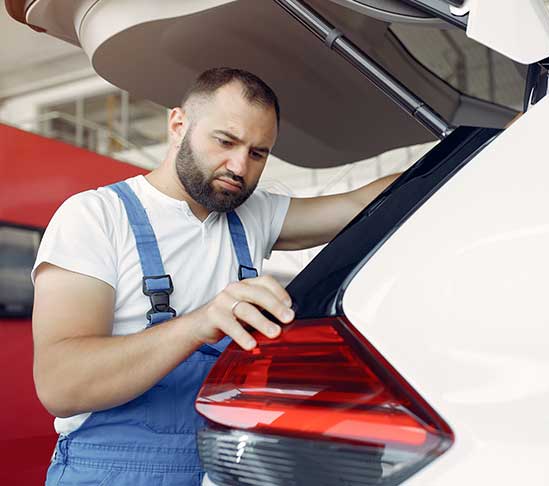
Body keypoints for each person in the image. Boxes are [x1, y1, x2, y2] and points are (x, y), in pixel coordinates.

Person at [31, 67, 399, 486]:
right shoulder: (96, 216)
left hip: (219, 468)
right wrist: (199, 324)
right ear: (178, 125)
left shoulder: (253, 216)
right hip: (110, 473)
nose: (239, 166)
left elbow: (361, 204)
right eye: (225, 141)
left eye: (258, 153)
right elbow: (60, 384)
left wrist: (456, 157)